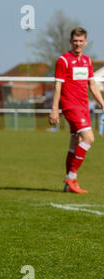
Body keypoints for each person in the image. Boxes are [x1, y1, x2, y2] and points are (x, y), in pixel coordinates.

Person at [49, 27, 104, 193]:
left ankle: (69, 184)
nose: (78, 44)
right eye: (75, 41)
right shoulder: (63, 60)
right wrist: (54, 109)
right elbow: (58, 85)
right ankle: (71, 176)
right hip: (70, 106)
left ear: (85, 42)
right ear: (70, 41)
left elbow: (92, 85)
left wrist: (102, 102)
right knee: (89, 138)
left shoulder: (87, 61)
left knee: (75, 142)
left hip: (83, 106)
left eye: (81, 41)